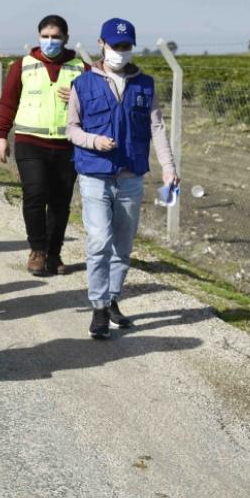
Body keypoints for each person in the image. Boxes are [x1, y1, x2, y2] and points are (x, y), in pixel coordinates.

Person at [67, 18, 178, 339]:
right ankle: (99, 307)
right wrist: (93, 141)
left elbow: (156, 127)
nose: (121, 52)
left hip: (131, 175)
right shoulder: (83, 84)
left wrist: (169, 168)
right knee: (99, 240)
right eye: (115, 46)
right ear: (101, 44)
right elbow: (71, 128)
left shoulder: (145, 84)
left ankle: (113, 298)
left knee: (123, 245)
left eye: (126, 46)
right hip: (94, 173)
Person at [0, 15, 87, 277]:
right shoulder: (22, 66)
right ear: (38, 38)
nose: (50, 41)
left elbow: (96, 104)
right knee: (35, 196)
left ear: (66, 38)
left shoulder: (81, 68)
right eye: (45, 36)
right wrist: (1, 135)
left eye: (55, 36)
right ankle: (37, 250)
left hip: (67, 145)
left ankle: (54, 252)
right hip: (29, 142)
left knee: (60, 202)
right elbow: (8, 103)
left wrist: (82, 98)